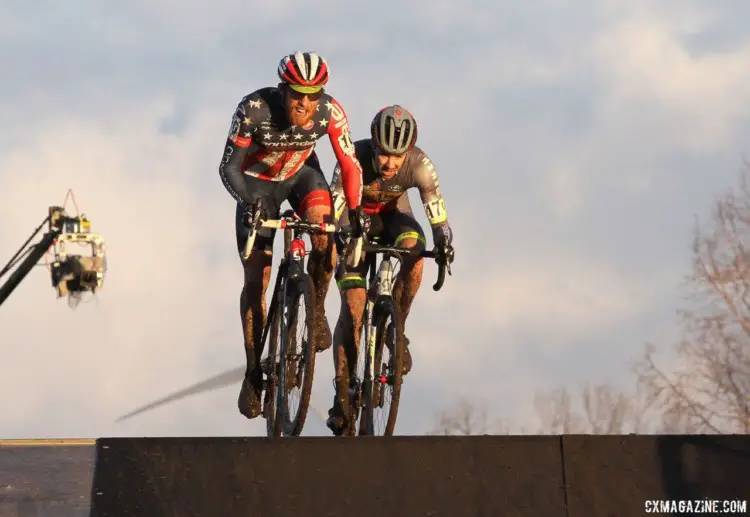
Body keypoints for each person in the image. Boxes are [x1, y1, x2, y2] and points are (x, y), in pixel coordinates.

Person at [218, 51, 364, 420]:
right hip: (257, 186)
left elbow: (349, 164)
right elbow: (228, 167)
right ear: (283, 90)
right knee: (258, 278)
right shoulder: (253, 108)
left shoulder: (331, 113)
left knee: (324, 233)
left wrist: (356, 213)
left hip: (302, 177)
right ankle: (253, 372)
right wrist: (249, 202)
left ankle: (314, 309)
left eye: (312, 95)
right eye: (297, 94)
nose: (304, 103)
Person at [325, 105, 455, 434]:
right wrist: (340, 236)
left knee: (415, 253)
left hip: (395, 218)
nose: (389, 164)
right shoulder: (354, 156)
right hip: (355, 224)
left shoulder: (420, 165)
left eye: (397, 158)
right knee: (353, 307)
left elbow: (436, 210)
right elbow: (336, 203)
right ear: (374, 144)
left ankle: (398, 331)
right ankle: (342, 390)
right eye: (384, 154)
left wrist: (443, 241)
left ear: (409, 152)